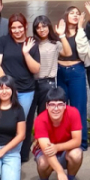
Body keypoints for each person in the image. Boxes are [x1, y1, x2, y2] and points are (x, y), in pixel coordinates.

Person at [0, 13, 41, 162]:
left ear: (25, 27)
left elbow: (35, 69)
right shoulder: (2, 42)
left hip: (26, 91)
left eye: (20, 27)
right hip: (4, 90)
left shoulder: (31, 43)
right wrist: (8, 87)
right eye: (13, 28)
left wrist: (25, 53)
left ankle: (16, 156)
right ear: (10, 29)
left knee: (20, 124)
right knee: (1, 122)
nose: (17, 30)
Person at [26, 87, 88, 180]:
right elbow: (47, 150)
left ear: (65, 105)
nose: (56, 108)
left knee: (77, 153)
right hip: (46, 152)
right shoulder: (40, 120)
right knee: (43, 162)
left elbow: (77, 141)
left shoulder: (73, 113)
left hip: (65, 150)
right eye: (52, 105)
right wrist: (60, 172)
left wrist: (57, 147)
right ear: (47, 106)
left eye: (59, 104)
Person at [57, 6, 90, 156]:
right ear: (66, 15)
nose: (75, 15)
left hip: (76, 71)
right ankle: (62, 140)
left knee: (78, 108)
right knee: (60, 107)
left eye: (77, 14)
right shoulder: (59, 32)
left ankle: (82, 142)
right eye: (72, 13)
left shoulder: (82, 33)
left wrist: (80, 28)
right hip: (60, 71)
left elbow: (84, 51)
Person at [30, 15, 73, 144]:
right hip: (31, 83)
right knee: (29, 114)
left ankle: (44, 142)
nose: (41, 30)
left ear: (49, 27)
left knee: (44, 115)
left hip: (47, 82)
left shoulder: (55, 44)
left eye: (44, 26)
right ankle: (32, 141)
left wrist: (62, 35)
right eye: (38, 28)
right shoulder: (31, 43)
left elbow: (68, 53)